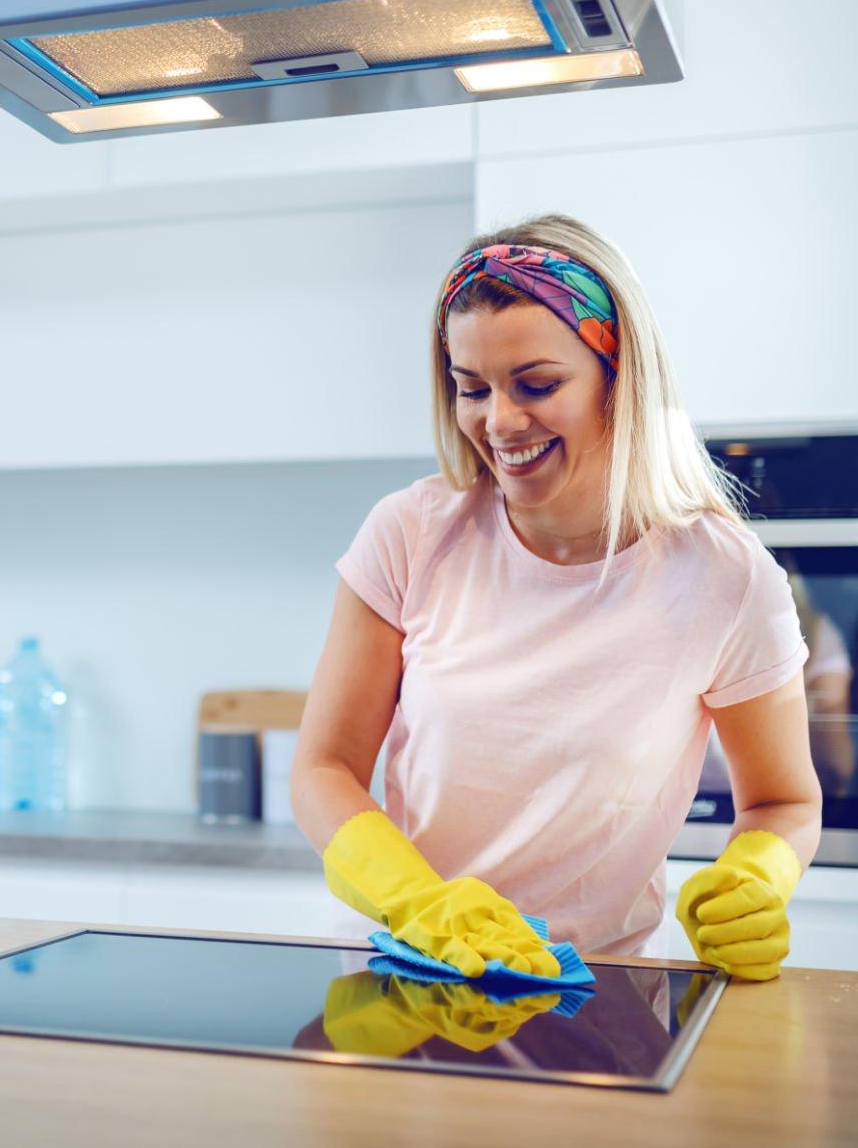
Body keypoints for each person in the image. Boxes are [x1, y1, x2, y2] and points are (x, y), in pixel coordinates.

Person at [290, 215, 822, 982]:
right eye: (472, 387)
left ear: (619, 376)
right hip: (398, 981)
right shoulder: (408, 534)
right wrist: (414, 900)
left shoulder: (725, 578)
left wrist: (756, 879)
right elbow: (325, 766)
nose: (499, 421)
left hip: (594, 1002)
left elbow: (783, 801)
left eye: (536, 384)